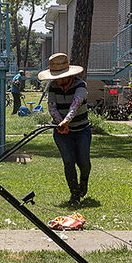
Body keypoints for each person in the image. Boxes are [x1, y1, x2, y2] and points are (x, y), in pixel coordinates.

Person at [38, 53, 91, 205]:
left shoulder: (81, 86)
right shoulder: (53, 88)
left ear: (68, 75)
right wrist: (60, 123)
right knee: (68, 161)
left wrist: (66, 121)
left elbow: (76, 105)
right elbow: (52, 108)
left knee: (84, 162)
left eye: (60, 75)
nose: (57, 79)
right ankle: (74, 194)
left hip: (82, 130)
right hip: (62, 132)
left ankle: (84, 181)